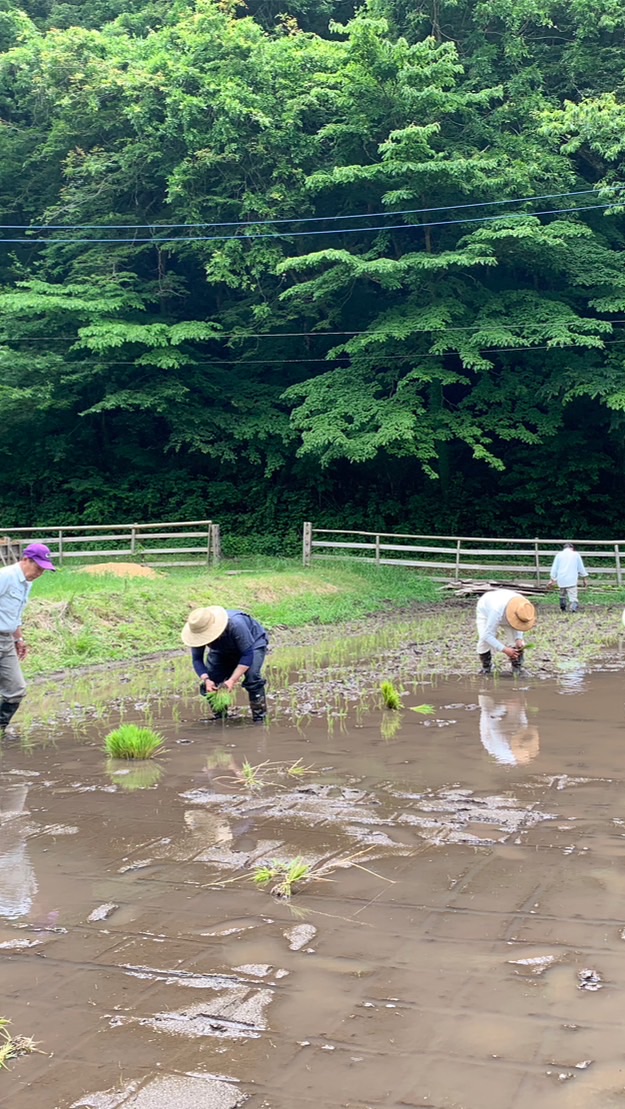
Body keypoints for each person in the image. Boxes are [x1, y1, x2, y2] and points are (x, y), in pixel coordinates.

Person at [0, 542, 56, 732]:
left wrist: (19, 639)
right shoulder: (5, 576)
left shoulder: (27, 584)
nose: (40, 573)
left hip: (7, 639)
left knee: (16, 690)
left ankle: (0, 729)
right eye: (38, 568)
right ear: (26, 560)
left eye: (44, 570)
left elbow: (15, 615)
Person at [181, 606, 268, 723]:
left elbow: (247, 655)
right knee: (212, 681)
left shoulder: (236, 624)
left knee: (252, 677)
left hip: (253, 644)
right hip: (222, 649)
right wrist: (206, 679)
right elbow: (197, 659)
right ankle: (220, 718)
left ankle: (260, 718)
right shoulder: (198, 632)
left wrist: (232, 680)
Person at [476, 589, 537, 675]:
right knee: (483, 640)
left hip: (507, 611)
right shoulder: (496, 610)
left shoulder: (524, 606)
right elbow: (487, 635)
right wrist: (504, 649)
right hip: (486, 610)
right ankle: (486, 667)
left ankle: (517, 668)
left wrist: (519, 638)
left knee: (516, 642)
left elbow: (520, 624)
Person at [478, 693, 540, 766]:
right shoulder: (527, 736)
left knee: (486, 708)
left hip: (490, 735)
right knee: (516, 707)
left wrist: (503, 706)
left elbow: (491, 717)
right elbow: (525, 721)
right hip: (517, 742)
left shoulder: (501, 742)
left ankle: (484, 690)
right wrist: (520, 705)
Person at [549, 542, 588, 613]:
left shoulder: (559, 555)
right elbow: (580, 567)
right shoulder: (576, 554)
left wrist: (552, 579)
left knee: (562, 594)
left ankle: (563, 607)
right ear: (572, 548)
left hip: (561, 578)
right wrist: (584, 578)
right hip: (572, 578)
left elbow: (554, 568)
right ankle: (573, 608)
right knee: (573, 595)